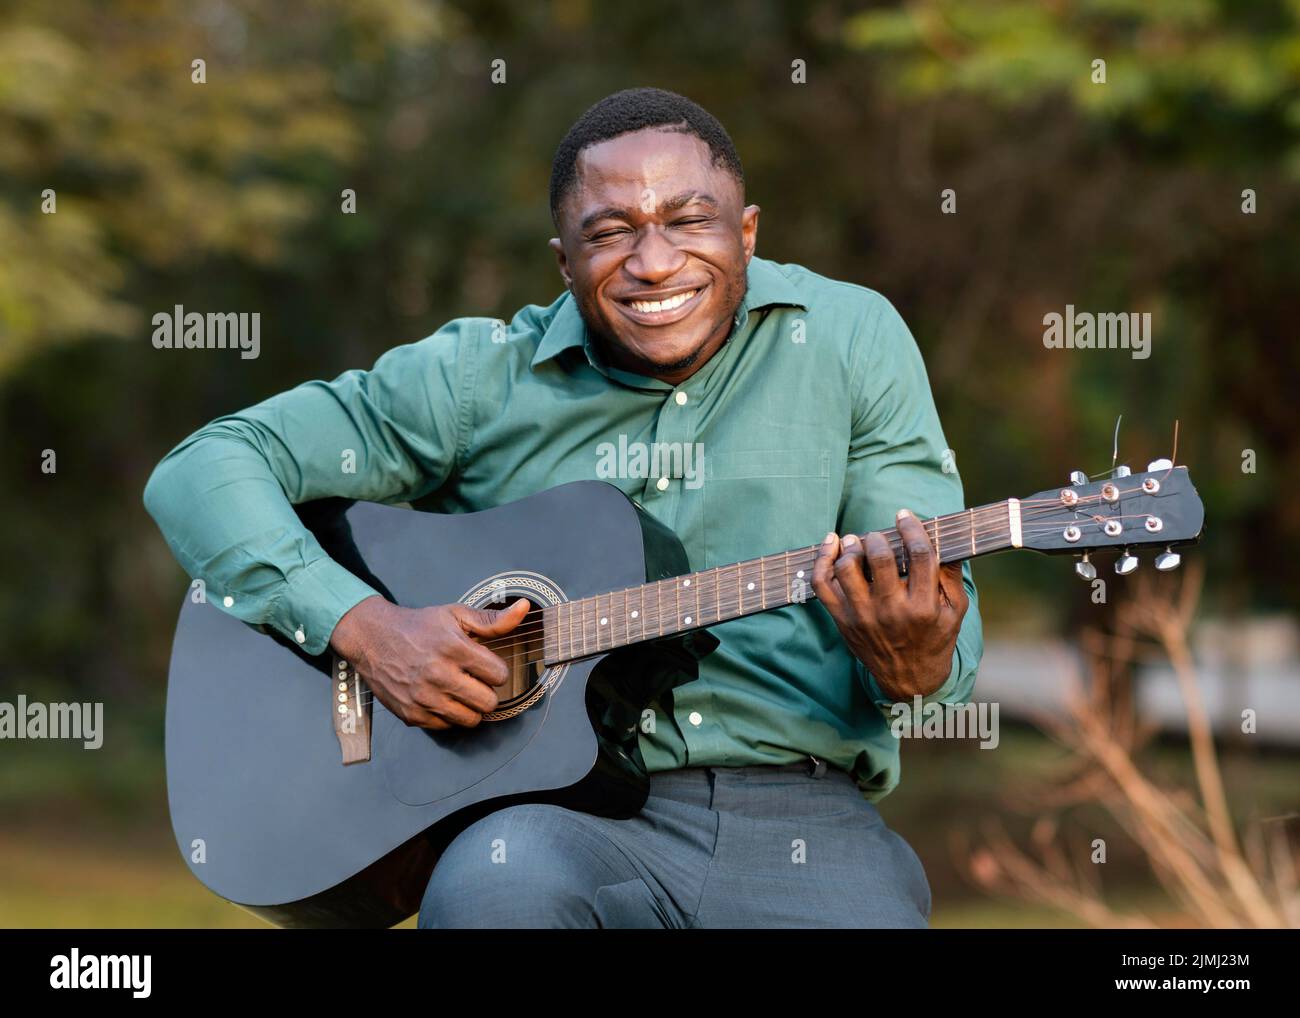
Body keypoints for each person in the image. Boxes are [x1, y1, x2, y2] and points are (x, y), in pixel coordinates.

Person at [144, 87, 982, 928]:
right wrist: (362, 629)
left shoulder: (849, 339)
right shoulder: (480, 378)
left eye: (690, 220)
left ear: (749, 233)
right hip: (552, 815)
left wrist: (918, 661)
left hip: (797, 810)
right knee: (495, 891)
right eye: (611, 233)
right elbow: (202, 470)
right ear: (564, 262)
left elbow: (947, 641)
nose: (655, 264)